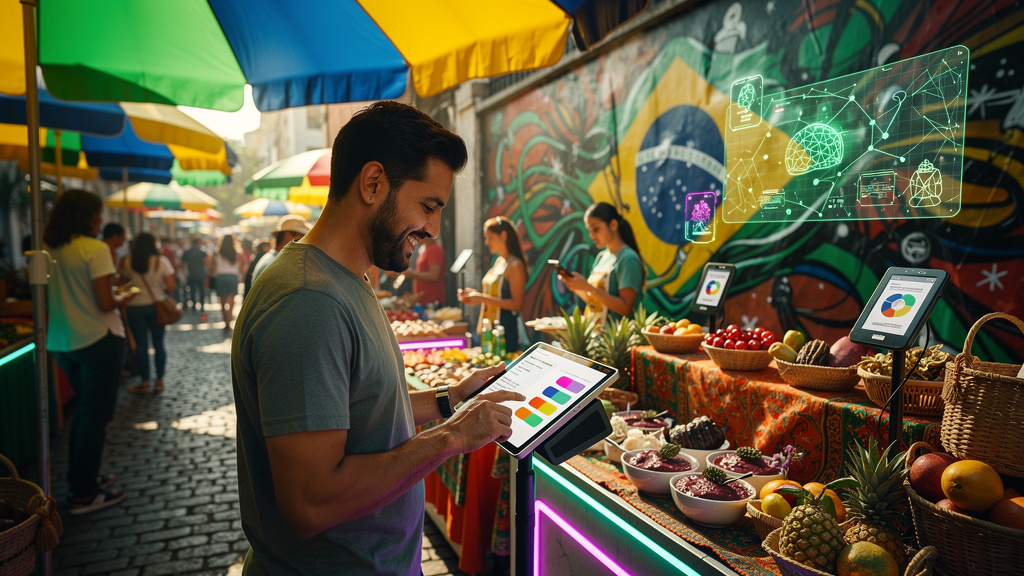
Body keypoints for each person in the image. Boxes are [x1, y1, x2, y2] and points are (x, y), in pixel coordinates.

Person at [232, 101, 523, 575]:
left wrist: (447, 400)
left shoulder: (346, 279)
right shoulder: (310, 301)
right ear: (372, 183)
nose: (431, 229)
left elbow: (360, 409)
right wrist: (450, 437)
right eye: (427, 206)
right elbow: (311, 503)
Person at [43, 189, 132, 514]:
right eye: (97, 213)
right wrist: (124, 297)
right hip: (98, 339)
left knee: (84, 414)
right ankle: (83, 491)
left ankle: (84, 478)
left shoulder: (49, 250)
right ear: (86, 216)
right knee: (94, 417)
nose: (100, 220)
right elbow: (105, 302)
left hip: (62, 342)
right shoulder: (94, 249)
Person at [558, 201, 645, 324]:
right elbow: (595, 301)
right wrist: (577, 287)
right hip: (598, 336)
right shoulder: (601, 257)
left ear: (613, 225)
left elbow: (626, 308)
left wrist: (588, 287)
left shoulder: (628, 258)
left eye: (596, 229)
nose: (592, 235)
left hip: (619, 340)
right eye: (589, 230)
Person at [457, 216, 529, 352]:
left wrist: (482, 297)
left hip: (505, 333)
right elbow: (491, 295)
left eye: (490, 237)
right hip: (489, 330)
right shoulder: (498, 261)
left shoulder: (515, 265)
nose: (486, 242)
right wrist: (474, 296)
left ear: (503, 235)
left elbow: (517, 304)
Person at [122, 233, 176, 394]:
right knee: (159, 344)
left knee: (141, 346)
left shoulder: (127, 261)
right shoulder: (161, 262)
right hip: (157, 306)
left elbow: (121, 283)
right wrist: (158, 288)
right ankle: (159, 381)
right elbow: (171, 287)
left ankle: (145, 381)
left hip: (135, 306)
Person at [250, 214, 312, 284]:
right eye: (302, 238)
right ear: (288, 235)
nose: (305, 243)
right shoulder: (279, 264)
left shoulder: (273, 258)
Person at [385, 235, 446, 305]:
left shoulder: (435, 249)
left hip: (432, 299)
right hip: (422, 299)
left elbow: (434, 276)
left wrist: (412, 274)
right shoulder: (423, 248)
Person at [208, 233, 244, 330]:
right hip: (233, 276)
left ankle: (225, 320)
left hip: (221, 276)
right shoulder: (237, 253)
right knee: (231, 300)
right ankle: (229, 320)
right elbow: (241, 266)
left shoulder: (217, 252)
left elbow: (213, 267)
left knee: (222, 301)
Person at [181, 237, 208, 311]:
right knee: (201, 290)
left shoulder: (187, 252)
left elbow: (183, 264)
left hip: (191, 273)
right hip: (200, 274)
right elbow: (206, 263)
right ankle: (202, 304)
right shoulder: (202, 252)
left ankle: (193, 305)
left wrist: (184, 273)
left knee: (192, 290)